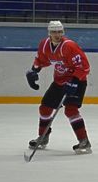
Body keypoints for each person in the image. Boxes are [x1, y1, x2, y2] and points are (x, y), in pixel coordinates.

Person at [25, 21, 92, 154]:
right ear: (49, 33)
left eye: (60, 32)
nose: (57, 35)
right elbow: (41, 60)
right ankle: (42, 138)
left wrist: (74, 82)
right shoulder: (44, 45)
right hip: (59, 81)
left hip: (77, 81)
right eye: (54, 32)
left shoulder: (69, 46)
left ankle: (84, 141)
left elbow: (84, 66)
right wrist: (34, 71)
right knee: (45, 108)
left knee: (71, 110)